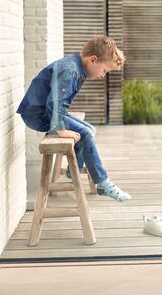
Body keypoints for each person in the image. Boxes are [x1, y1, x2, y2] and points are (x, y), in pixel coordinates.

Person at [17, 35, 131, 202]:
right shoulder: (70, 70)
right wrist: (61, 129)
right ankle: (103, 182)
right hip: (38, 114)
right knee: (85, 133)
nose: (103, 75)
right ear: (93, 60)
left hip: (48, 111)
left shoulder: (76, 64)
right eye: (105, 70)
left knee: (89, 129)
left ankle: (72, 172)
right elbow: (55, 103)